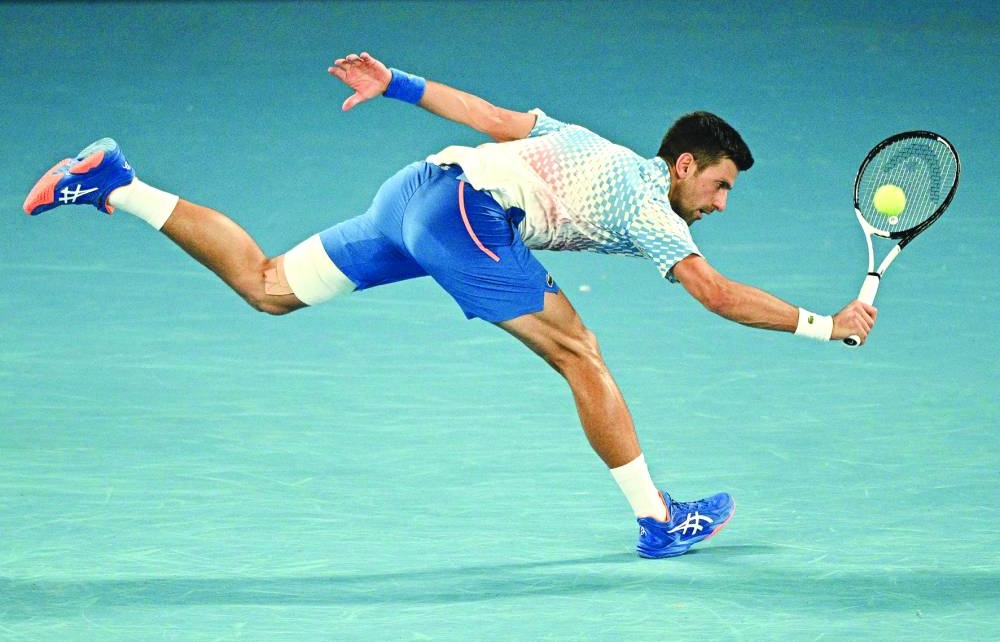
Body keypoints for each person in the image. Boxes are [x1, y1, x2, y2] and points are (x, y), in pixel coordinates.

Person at [23, 51, 877, 559]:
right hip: (467, 214)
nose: (723, 204)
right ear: (685, 165)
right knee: (581, 354)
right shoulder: (651, 204)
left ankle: (117, 186)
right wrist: (824, 323)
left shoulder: (588, 143)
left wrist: (398, 83)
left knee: (269, 285)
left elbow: (495, 116)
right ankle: (659, 522)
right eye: (722, 185)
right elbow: (714, 293)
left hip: (415, 190)